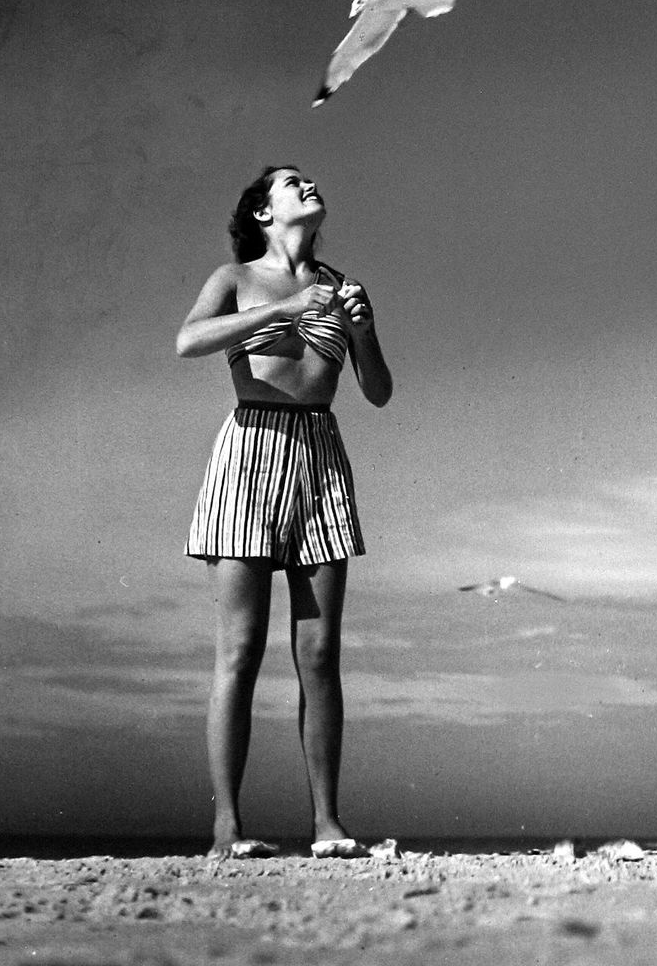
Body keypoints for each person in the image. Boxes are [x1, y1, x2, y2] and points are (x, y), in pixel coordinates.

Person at [177, 164, 392, 858]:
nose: (307, 186)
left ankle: (328, 825)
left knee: (319, 651)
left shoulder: (343, 286)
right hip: (249, 448)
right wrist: (277, 311)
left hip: (320, 455)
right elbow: (188, 341)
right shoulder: (233, 276)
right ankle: (226, 829)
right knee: (239, 650)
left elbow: (379, 391)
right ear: (263, 213)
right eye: (290, 183)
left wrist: (361, 329)